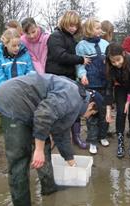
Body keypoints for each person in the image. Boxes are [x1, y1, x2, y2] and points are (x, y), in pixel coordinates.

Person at [0, 73, 103, 206]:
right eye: (91, 114)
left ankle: (49, 189)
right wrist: (38, 150)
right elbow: (43, 115)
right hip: (13, 100)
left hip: (32, 106)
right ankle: (21, 202)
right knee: (20, 158)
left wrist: (71, 161)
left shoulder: (77, 99)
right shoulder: (72, 96)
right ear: (91, 105)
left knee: (45, 145)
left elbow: (61, 132)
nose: (87, 117)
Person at [45, 10, 90, 149]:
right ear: (64, 22)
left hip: (69, 77)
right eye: (71, 25)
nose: (73, 28)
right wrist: (81, 59)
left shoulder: (72, 39)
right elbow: (60, 56)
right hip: (57, 78)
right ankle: (53, 138)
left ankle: (75, 136)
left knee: (73, 107)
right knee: (56, 109)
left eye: (76, 26)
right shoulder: (55, 36)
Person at [76, 17, 110, 154]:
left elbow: (110, 61)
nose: (100, 30)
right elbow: (79, 64)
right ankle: (92, 140)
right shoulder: (81, 45)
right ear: (89, 29)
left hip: (105, 83)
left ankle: (103, 136)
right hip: (91, 84)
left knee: (105, 112)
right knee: (93, 113)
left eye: (100, 28)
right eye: (97, 28)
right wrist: (82, 75)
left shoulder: (105, 43)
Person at [105, 43, 130, 158]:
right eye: (113, 62)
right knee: (121, 112)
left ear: (123, 54)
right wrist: (108, 110)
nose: (116, 64)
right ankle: (120, 142)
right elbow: (109, 88)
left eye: (118, 60)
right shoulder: (109, 65)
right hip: (120, 87)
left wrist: (129, 101)